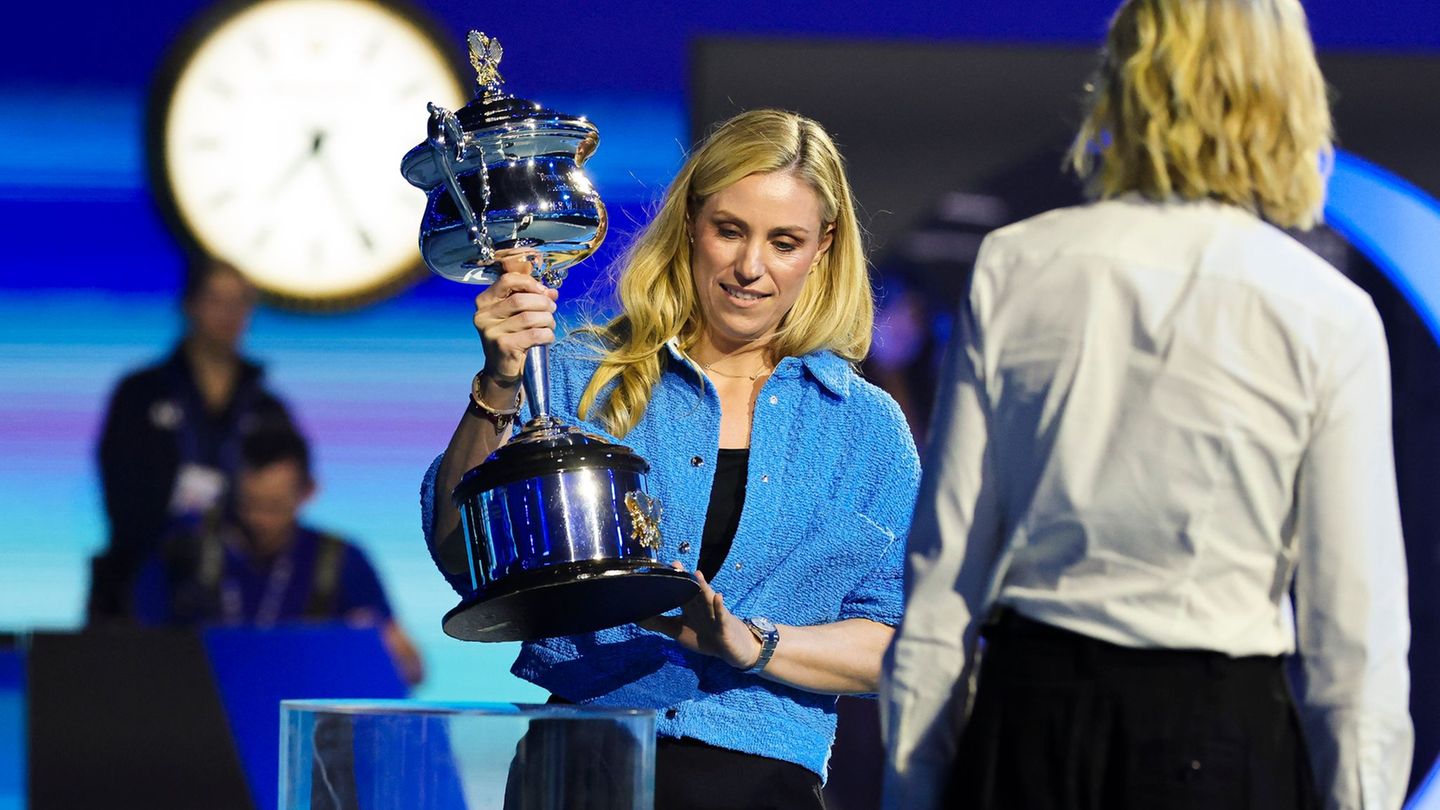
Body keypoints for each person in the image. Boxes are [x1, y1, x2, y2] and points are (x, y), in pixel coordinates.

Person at [881, 2, 1412, 809]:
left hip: (1033, 727)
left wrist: (913, 790)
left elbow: (944, 576)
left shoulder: (1017, 268)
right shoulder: (1324, 312)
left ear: (1124, 81)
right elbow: (1354, 638)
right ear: (1285, 90)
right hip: (1220, 742)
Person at [421, 108, 920, 809]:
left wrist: (750, 643)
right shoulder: (574, 375)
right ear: (690, 223)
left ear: (822, 247)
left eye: (784, 242)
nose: (751, 267)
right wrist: (498, 384)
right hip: (583, 759)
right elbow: (460, 554)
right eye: (730, 231)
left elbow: (897, 643)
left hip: (758, 778)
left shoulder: (865, 430)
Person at [89, 257, 293, 623]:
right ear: (190, 304)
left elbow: (287, 493)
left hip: (242, 592)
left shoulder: (267, 406)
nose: (229, 314)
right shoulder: (139, 394)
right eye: (217, 300)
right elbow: (119, 490)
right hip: (143, 582)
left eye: (240, 302)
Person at [137, 427, 424, 686]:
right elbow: (138, 656)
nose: (259, 520)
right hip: (205, 721)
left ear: (307, 492)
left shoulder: (339, 559)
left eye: (274, 506)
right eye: (249, 504)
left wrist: (366, 644)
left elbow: (412, 671)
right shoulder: (184, 552)